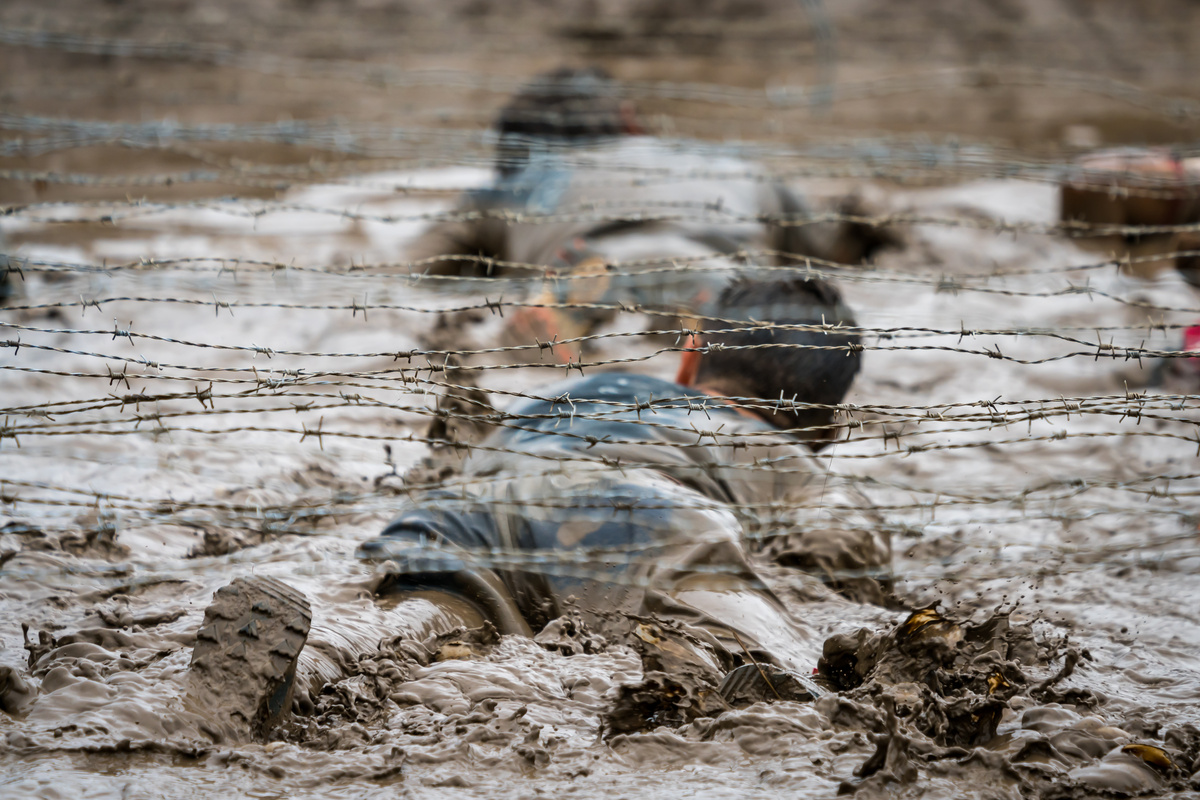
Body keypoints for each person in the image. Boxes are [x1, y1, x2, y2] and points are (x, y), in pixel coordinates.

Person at [186, 275, 890, 739]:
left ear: (691, 356)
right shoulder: (783, 456)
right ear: (825, 429)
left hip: (471, 506)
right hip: (646, 516)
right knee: (784, 670)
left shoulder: (584, 391)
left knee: (407, 615)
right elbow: (839, 549)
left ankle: (302, 669)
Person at [411, 66, 895, 360]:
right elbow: (836, 249)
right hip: (721, 266)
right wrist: (870, 221)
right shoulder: (728, 166)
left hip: (585, 265)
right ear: (629, 121)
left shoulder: (514, 187)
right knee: (724, 364)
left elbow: (415, 273)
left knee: (547, 357)